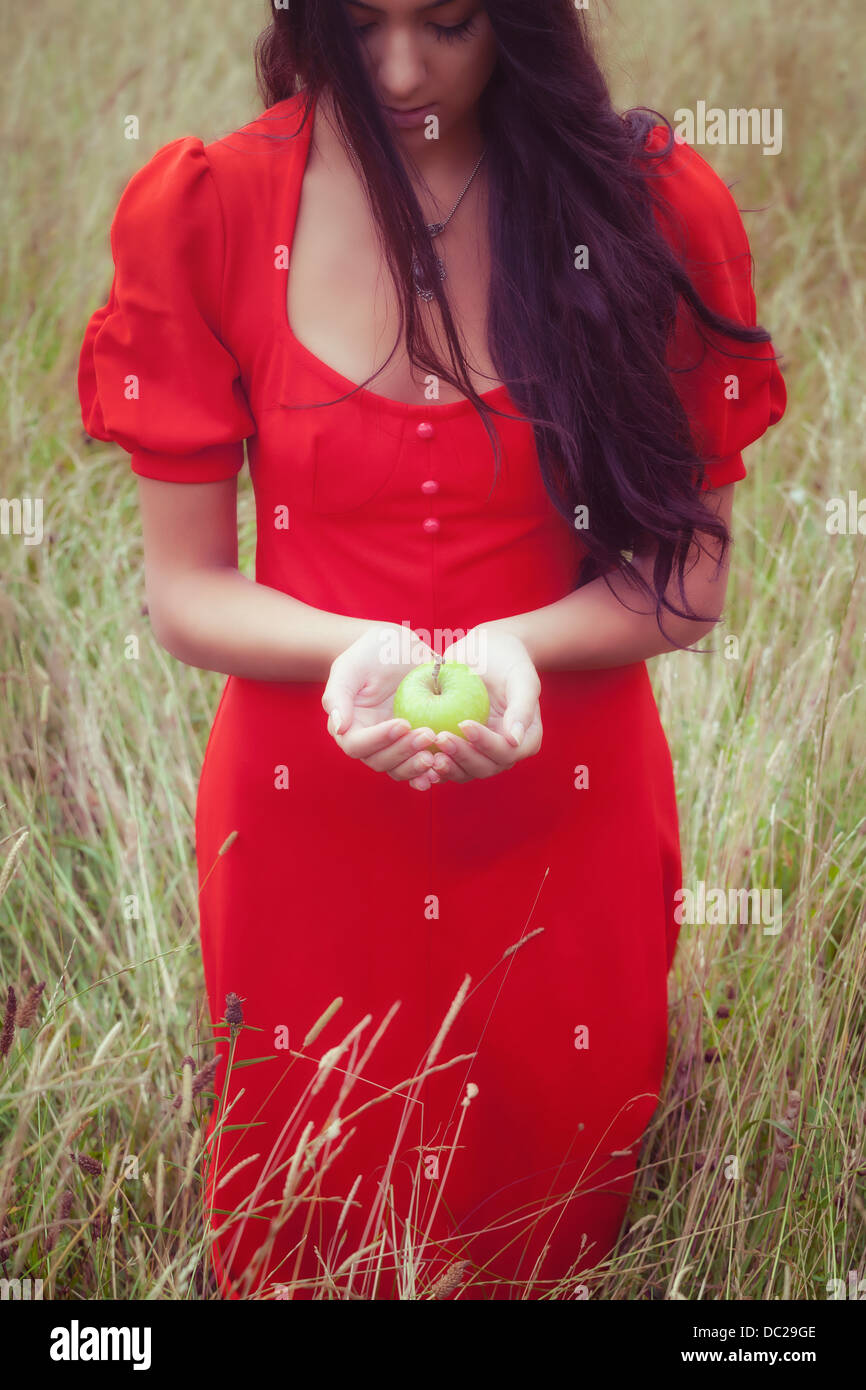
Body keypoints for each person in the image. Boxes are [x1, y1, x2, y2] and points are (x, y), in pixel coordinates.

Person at [77, 0, 787, 1300]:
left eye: (451, 23)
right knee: (308, 1222)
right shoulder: (210, 207)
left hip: (562, 799)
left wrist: (503, 649)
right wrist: (377, 652)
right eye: (360, 24)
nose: (402, 70)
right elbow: (185, 591)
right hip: (305, 811)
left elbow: (686, 581)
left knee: (556, 1224)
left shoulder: (641, 203)